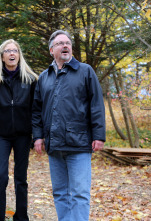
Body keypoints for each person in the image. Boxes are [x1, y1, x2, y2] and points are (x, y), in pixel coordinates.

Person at [31, 30, 106, 221]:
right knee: (60, 193)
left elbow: (96, 104)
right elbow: (37, 111)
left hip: (79, 144)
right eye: (60, 43)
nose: (65, 46)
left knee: (80, 194)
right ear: (51, 50)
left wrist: (99, 135)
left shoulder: (85, 71)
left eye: (68, 43)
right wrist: (38, 136)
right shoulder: (44, 77)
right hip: (54, 145)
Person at [0, 39, 38, 221]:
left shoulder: (30, 80)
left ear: (19, 55)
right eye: (8, 51)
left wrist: (35, 136)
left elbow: (36, 111)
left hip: (23, 136)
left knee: (21, 178)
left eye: (15, 50)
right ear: (2, 56)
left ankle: (21, 216)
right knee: (1, 175)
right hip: (1, 136)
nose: (12, 54)